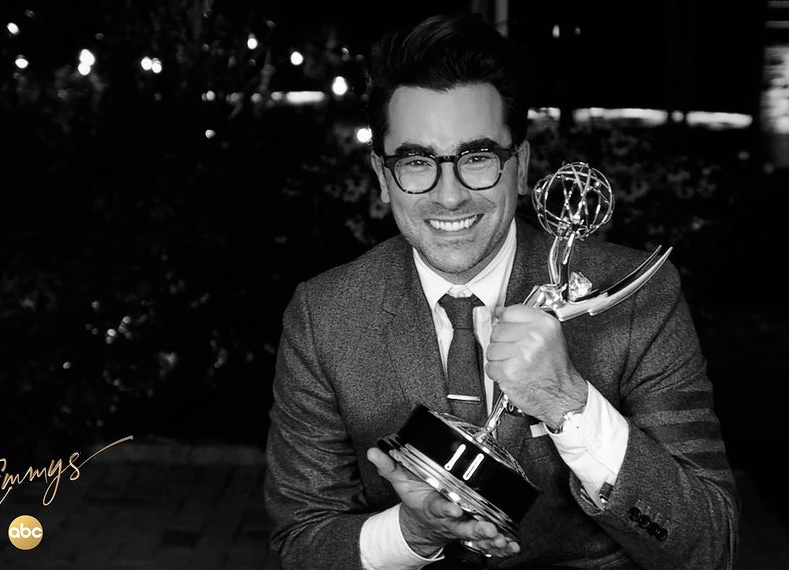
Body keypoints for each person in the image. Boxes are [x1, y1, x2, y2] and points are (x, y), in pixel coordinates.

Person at [265, 14, 739, 570]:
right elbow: (301, 544)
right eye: (416, 162)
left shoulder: (637, 298)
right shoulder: (324, 315)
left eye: (478, 158)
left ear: (521, 166)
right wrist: (411, 532)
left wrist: (570, 404)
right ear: (381, 174)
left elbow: (711, 544)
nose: (449, 196)